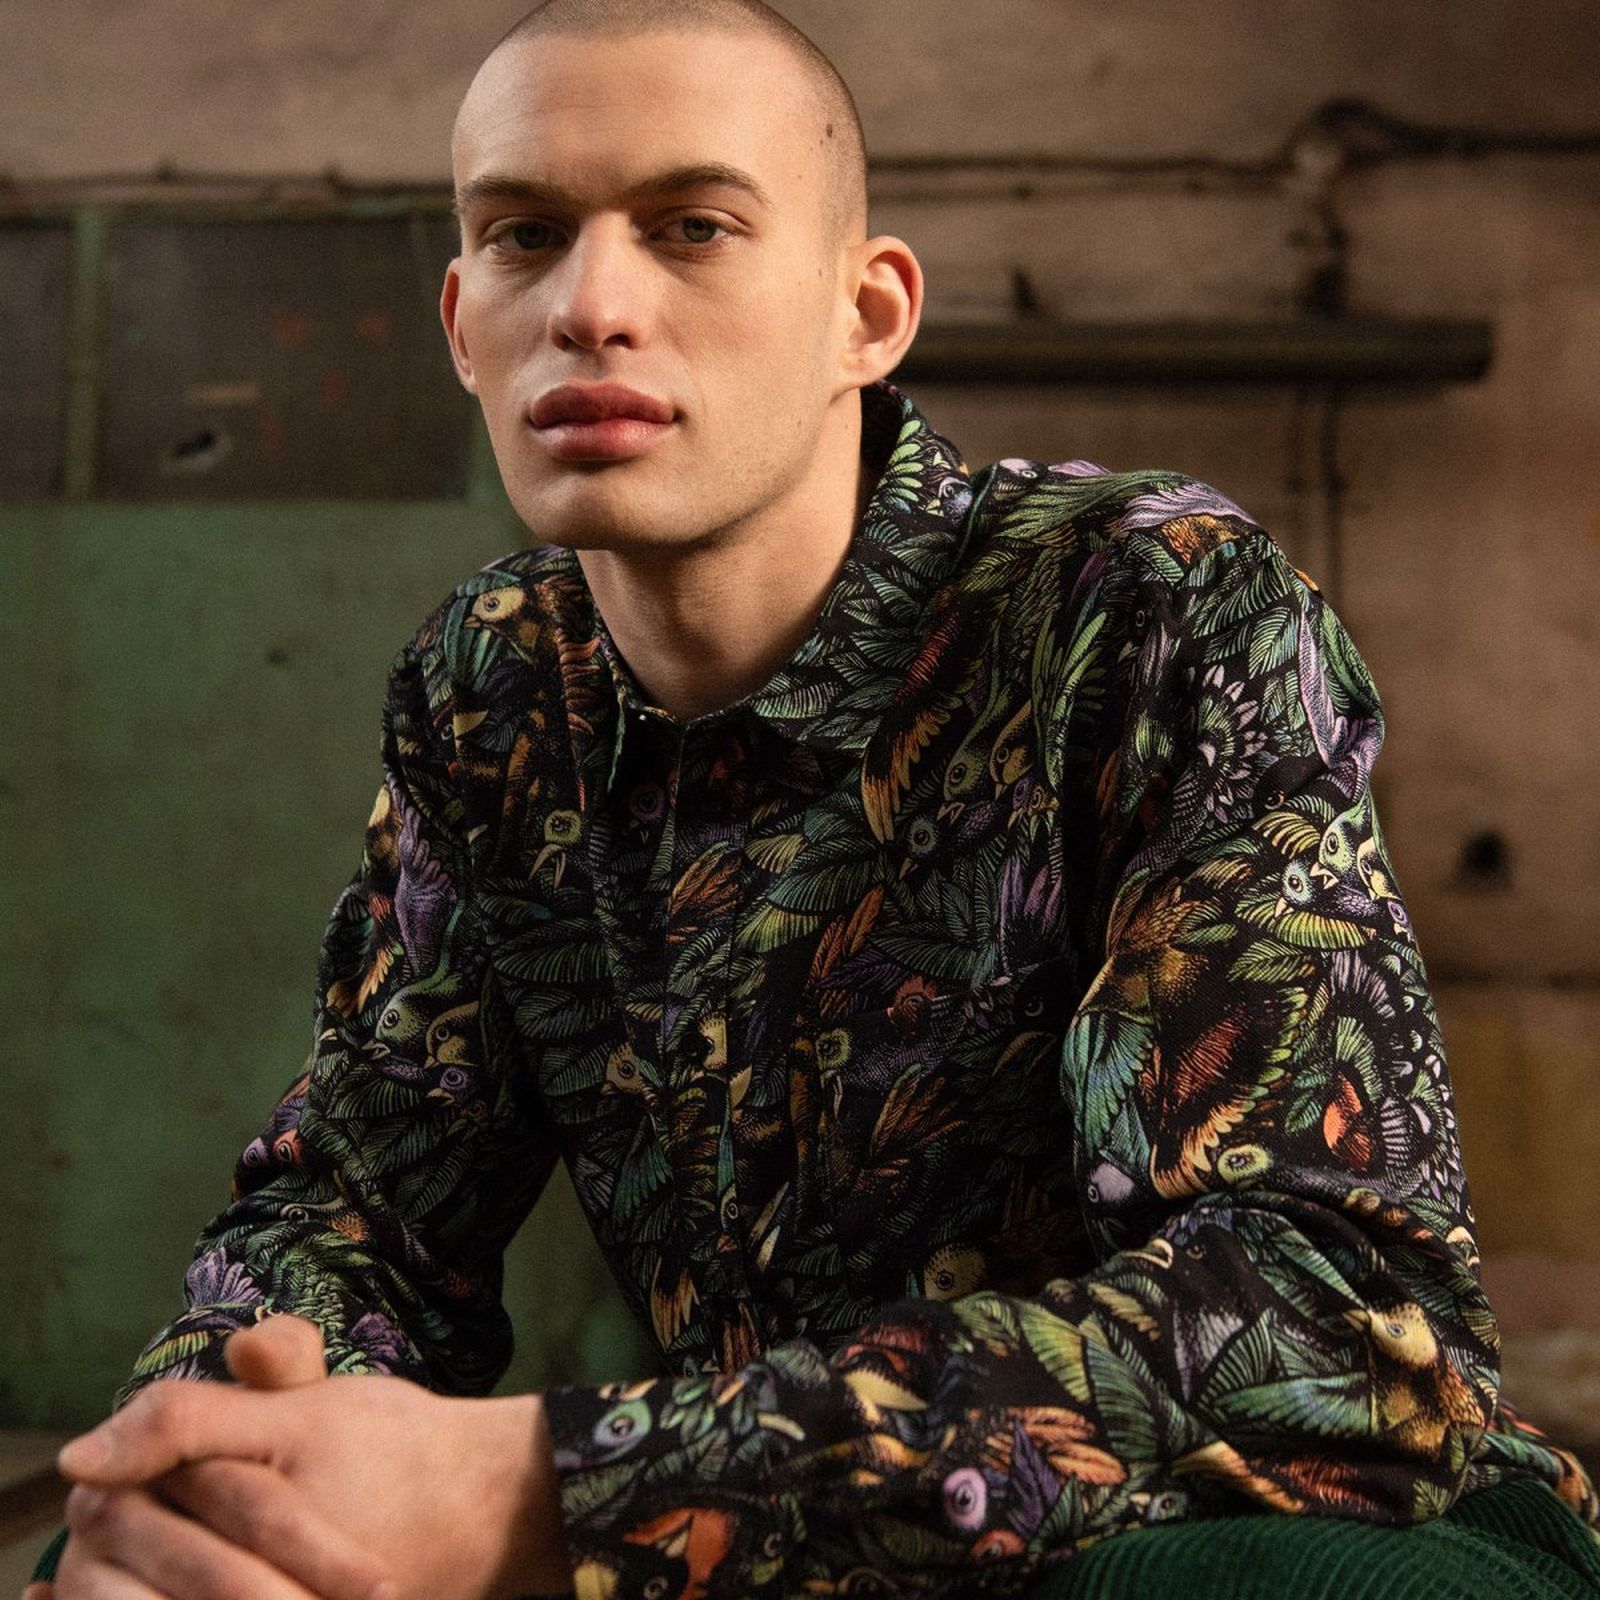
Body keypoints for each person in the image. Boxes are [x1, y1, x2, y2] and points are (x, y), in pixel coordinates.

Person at [30, 2, 1600, 1598]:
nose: (591, 307)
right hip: (792, 1557)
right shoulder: (491, 686)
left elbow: (1339, 1320)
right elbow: (362, 1208)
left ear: (868, 313)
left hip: (1286, 1540)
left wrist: (552, 1489)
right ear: (458, 321)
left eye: (692, 228)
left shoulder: (1140, 604)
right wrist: (211, 1470)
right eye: (524, 237)